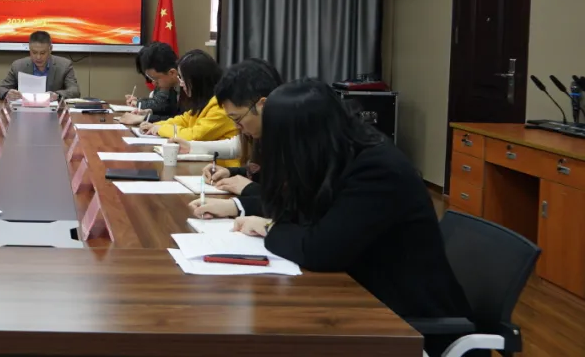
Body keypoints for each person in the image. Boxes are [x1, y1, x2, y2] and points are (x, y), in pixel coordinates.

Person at [231, 79, 471, 354]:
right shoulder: (338, 154)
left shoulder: (376, 169)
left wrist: (270, 228)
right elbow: (298, 213)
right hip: (362, 297)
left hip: (408, 323)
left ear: (301, 137)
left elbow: (319, 250)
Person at [186, 58, 283, 220]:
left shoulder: (291, 139)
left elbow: (293, 205)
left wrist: (240, 200)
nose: (237, 127)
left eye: (237, 119)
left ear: (263, 105)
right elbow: (259, 173)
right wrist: (231, 172)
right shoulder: (260, 131)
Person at [137, 50, 237, 144]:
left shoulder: (221, 107)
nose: (181, 84)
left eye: (183, 79)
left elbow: (194, 136)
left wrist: (161, 129)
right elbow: (184, 120)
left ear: (197, 80)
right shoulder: (205, 101)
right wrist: (156, 125)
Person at [0, 31, 80, 101]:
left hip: (54, 112)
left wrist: (57, 95)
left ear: (50, 49)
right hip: (25, 111)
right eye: (34, 52)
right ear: (29, 49)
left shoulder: (64, 65)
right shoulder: (18, 66)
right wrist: (7, 93)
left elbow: (75, 91)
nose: (38, 57)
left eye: (42, 53)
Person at [119, 42, 180, 125]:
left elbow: (183, 120)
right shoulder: (168, 83)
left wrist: (144, 118)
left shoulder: (188, 86)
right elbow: (169, 112)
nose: (154, 83)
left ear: (172, 73)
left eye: (156, 79)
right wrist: (149, 112)